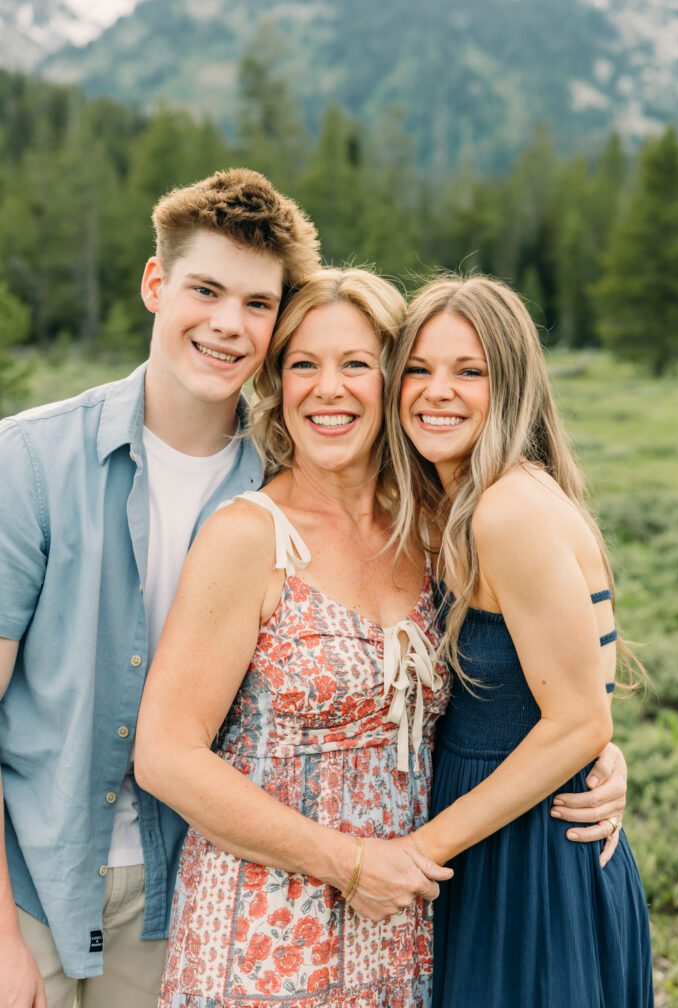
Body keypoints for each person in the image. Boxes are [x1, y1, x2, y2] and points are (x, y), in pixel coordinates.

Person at [0, 168, 320, 1008]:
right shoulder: (29, 462)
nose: (227, 325)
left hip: (192, 892)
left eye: (257, 304)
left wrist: (586, 750)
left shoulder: (291, 483)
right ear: (154, 284)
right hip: (31, 883)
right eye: (205, 290)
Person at [135, 268, 454, 1007]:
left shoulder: (432, 531)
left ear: (393, 380)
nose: (328, 388)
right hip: (262, 935)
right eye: (303, 364)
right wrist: (345, 863)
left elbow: (512, 686)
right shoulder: (248, 537)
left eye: (355, 365)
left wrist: (591, 754)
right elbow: (165, 754)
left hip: (400, 929)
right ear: (277, 385)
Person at [387, 273, 654, 1007]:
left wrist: (416, 854)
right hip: (505, 833)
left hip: (524, 860)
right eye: (418, 368)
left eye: (467, 371)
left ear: (510, 386)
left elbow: (577, 721)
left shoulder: (507, 510)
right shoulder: (474, 500)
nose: (436, 391)